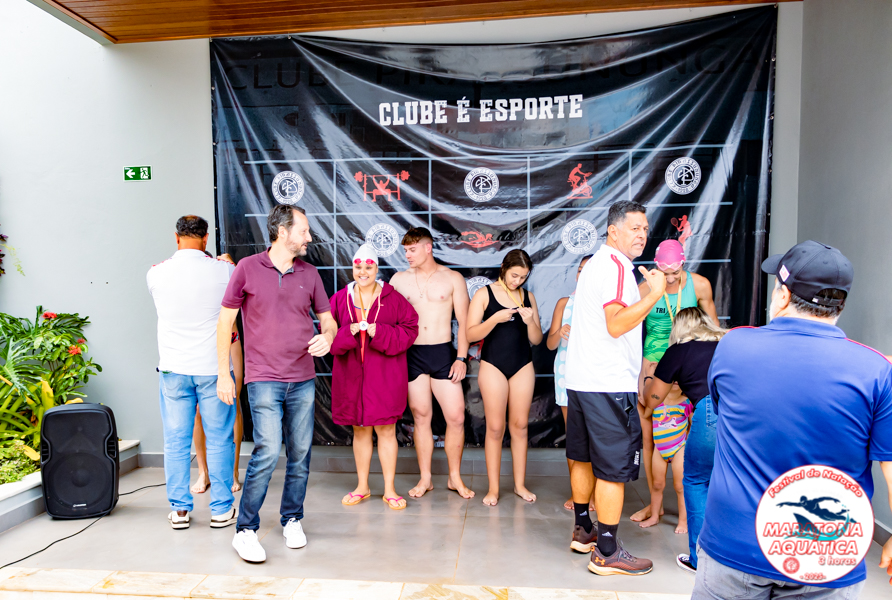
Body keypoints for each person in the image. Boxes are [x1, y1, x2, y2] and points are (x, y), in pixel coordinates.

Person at [692, 240, 892, 598]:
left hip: (735, 547)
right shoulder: (876, 370)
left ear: (782, 295)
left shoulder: (733, 346)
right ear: (841, 303)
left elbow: (721, 409)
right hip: (829, 557)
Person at [218, 204, 337, 564]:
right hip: (263, 378)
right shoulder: (246, 268)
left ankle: (292, 519)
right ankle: (245, 530)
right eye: (303, 231)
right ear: (283, 232)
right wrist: (224, 373)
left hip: (302, 379)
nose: (309, 237)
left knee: (300, 454)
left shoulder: (310, 274)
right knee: (268, 451)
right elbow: (225, 323)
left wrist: (328, 337)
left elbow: (328, 320)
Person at [564, 200, 665, 575]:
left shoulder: (596, 264)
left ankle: (583, 530)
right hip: (607, 384)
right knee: (611, 470)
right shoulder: (618, 267)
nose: (642, 235)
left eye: (645, 229)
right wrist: (654, 294)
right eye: (634, 228)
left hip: (583, 381)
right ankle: (607, 550)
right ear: (613, 230)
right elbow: (616, 324)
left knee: (584, 457)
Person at [146, 215, 239, 530]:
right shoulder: (225, 271)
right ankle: (221, 509)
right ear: (206, 238)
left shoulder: (155, 273)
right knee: (220, 439)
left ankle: (179, 510)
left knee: (175, 441)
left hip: (174, 369)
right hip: (214, 370)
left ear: (176, 238)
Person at [631, 239, 717, 525]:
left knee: (693, 429)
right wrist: (641, 370)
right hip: (655, 362)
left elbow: (713, 330)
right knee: (650, 434)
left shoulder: (700, 285)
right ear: (656, 267)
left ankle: (692, 502)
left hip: (687, 363)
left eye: (675, 274)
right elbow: (630, 331)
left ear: (683, 265)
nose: (669, 280)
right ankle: (654, 504)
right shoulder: (645, 288)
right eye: (664, 274)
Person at [329, 244, 419, 511]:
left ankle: (390, 489)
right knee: (360, 429)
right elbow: (328, 336)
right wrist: (348, 332)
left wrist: (380, 332)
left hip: (385, 376)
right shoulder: (339, 299)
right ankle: (362, 486)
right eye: (358, 267)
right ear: (352, 268)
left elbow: (410, 330)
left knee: (387, 429)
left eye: (368, 267)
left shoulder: (393, 298)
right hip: (351, 376)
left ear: (376, 268)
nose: (363, 272)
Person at [390, 227, 474, 499]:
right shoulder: (399, 279)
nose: (407, 255)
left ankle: (454, 477)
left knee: (456, 417)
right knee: (421, 416)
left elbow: (465, 322)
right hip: (411, 354)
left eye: (412, 249)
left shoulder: (452, 278)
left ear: (428, 248)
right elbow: (387, 320)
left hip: (442, 353)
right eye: (405, 250)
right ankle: (425, 478)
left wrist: (461, 358)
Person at [643, 306, 724, 570]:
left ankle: (700, 560)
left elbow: (652, 399)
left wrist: (649, 380)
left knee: (697, 481)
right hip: (748, 414)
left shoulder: (677, 351)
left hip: (711, 411)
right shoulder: (726, 343)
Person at [467, 249, 543, 506]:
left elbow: (536, 340)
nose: (517, 281)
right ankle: (493, 488)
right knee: (495, 427)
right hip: (493, 365)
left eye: (523, 277)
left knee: (520, 427)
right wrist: (495, 319)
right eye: (514, 275)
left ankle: (520, 485)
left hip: (522, 365)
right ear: (503, 268)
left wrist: (530, 322)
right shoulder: (484, 294)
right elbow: (470, 335)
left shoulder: (528, 297)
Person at [545, 254, 594, 513]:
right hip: (566, 373)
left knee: (594, 437)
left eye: (589, 271)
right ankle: (579, 494)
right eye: (580, 270)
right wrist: (559, 332)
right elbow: (550, 344)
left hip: (594, 378)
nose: (582, 275)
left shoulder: (604, 305)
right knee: (574, 437)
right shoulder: (564, 303)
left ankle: (595, 493)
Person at [191, 327, 244, 494]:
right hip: (198, 340)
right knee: (198, 409)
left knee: (232, 401)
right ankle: (203, 472)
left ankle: (233, 472)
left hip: (229, 336)